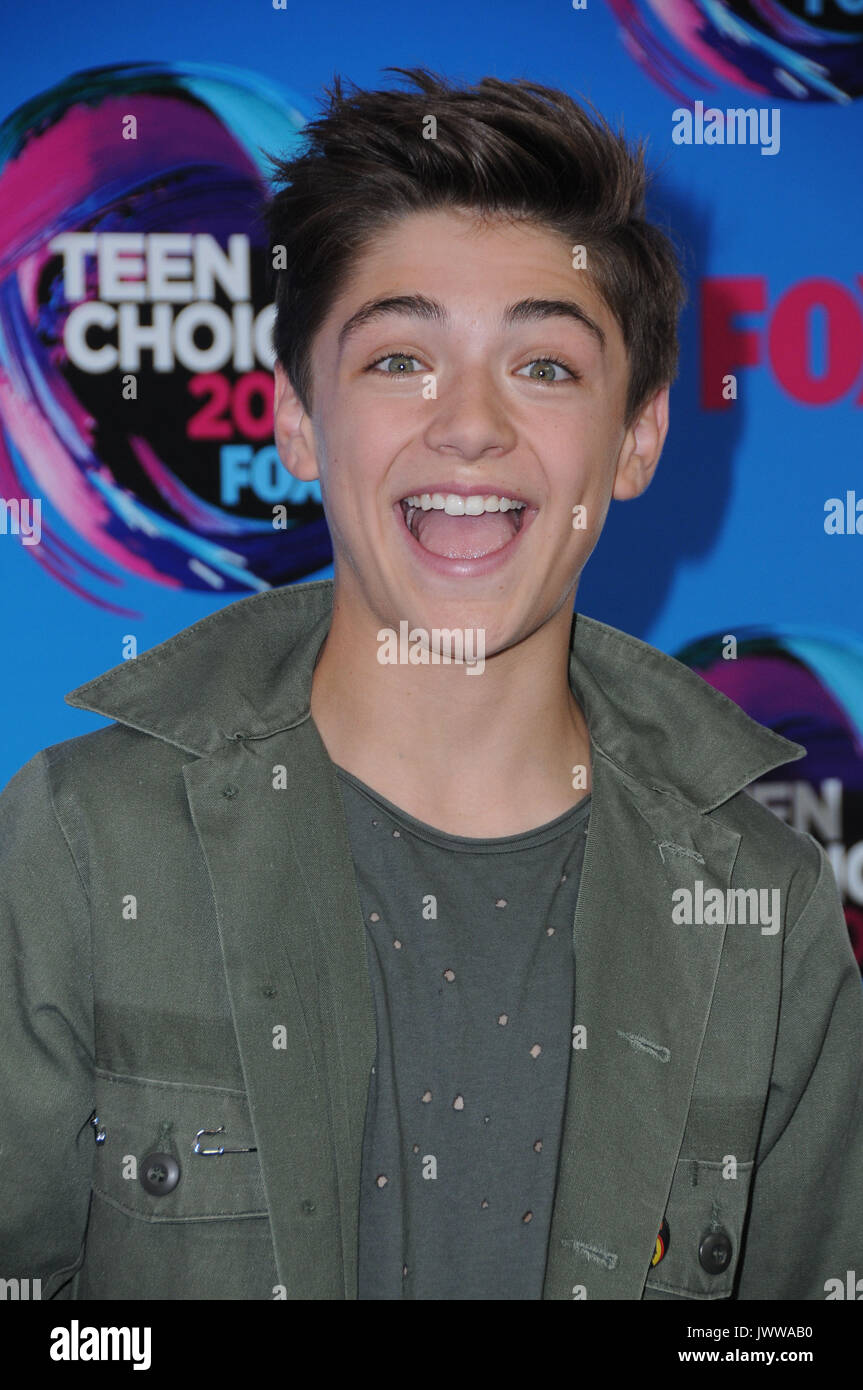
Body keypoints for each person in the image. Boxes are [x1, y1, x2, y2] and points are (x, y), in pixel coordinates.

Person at [1, 67, 860, 1301]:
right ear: (298, 420)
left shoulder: (763, 913)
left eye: (546, 367)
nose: (468, 424)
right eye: (400, 357)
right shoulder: (83, 842)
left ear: (637, 438)